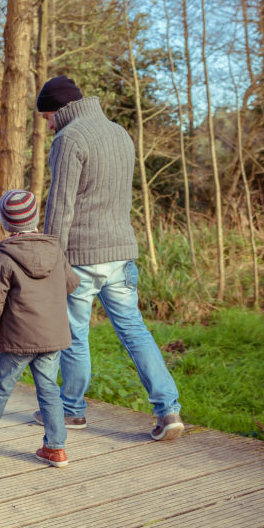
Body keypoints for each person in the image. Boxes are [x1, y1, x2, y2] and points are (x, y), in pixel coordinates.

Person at [36, 74, 184, 440]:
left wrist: (50, 259)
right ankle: (169, 411)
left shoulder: (68, 139)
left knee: (75, 335)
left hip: (82, 257)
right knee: (135, 331)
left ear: (60, 108)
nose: (48, 124)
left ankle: (71, 411)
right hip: (121, 255)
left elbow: (60, 207)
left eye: (47, 117)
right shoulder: (120, 133)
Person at [0, 190, 79, 467]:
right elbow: (72, 284)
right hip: (52, 337)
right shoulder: (54, 249)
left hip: (19, 339)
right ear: (35, 218)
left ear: (6, 223)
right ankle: (56, 448)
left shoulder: (3, 257)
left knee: (1, 385)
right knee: (49, 390)